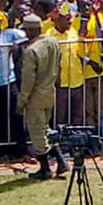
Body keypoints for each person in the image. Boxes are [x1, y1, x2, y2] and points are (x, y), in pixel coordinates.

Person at [15, 15, 63, 179]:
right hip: (50, 91)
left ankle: (45, 168)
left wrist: (22, 101)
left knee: (37, 132)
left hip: (35, 95)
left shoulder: (31, 50)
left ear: (31, 29)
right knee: (46, 129)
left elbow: (28, 80)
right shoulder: (53, 42)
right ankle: (61, 161)